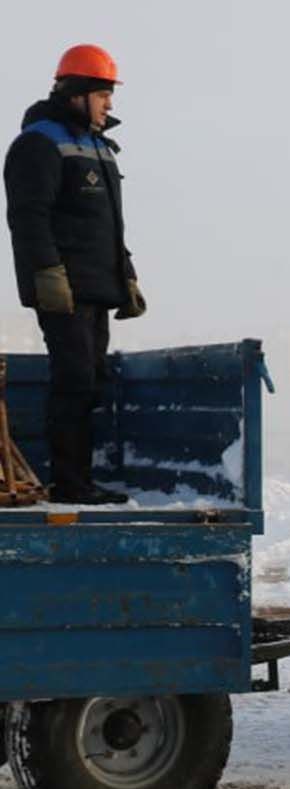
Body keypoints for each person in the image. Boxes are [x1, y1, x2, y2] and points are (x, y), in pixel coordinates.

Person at [5, 44, 144, 505]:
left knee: (92, 380)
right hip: (64, 289)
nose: (109, 105)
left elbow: (109, 224)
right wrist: (47, 276)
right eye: (103, 95)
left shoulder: (99, 148)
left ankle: (79, 479)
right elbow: (28, 217)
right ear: (77, 93)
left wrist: (126, 274)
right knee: (74, 381)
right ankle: (70, 484)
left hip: (96, 287)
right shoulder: (39, 143)